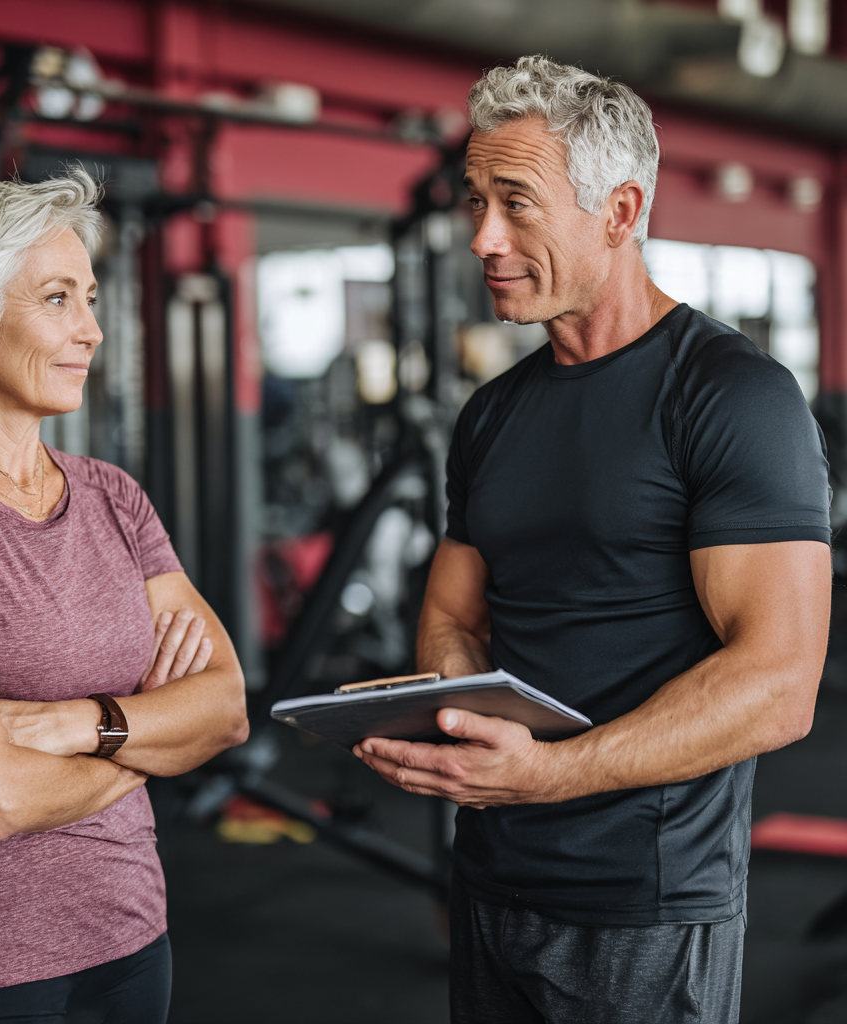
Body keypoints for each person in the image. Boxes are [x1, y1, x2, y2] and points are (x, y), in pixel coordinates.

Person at [353, 57, 831, 1023]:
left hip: (647, 907)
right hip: (490, 878)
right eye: (476, 200)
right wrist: (449, 715)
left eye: (516, 203)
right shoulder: (489, 416)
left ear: (618, 213)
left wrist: (547, 775)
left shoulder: (732, 396)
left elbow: (780, 687)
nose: (483, 236)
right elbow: (452, 611)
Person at [0, 168, 249, 1024]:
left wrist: (72, 726)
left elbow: (225, 711)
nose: (93, 330)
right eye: (58, 299)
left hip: (134, 927)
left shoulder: (114, 497)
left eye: (90, 298)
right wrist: (148, 732)